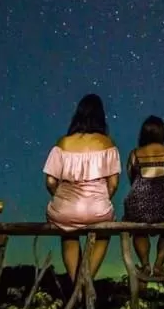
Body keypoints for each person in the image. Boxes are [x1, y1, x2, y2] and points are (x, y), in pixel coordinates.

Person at [43, 94, 121, 284]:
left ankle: (74, 280)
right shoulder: (107, 144)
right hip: (97, 210)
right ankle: (86, 280)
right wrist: (101, 199)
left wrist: (61, 197)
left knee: (68, 233)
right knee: (104, 233)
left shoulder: (63, 143)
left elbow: (50, 181)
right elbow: (113, 184)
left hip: (64, 210)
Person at [123, 115, 164, 282]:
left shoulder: (134, 154)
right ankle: (159, 264)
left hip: (139, 209)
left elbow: (132, 179)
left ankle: (145, 264)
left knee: (138, 228)